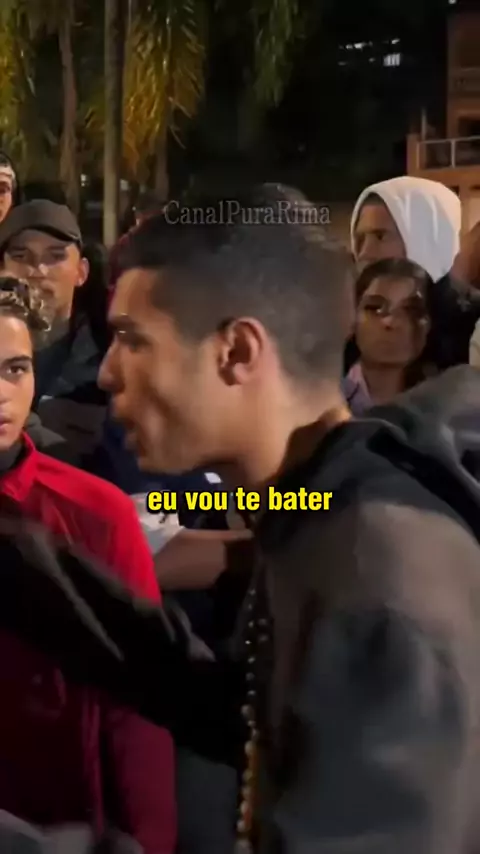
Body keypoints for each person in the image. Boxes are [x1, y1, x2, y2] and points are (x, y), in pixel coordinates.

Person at [3, 190, 480, 853]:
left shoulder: (377, 583)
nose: (108, 374)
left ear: (237, 351)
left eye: (132, 340)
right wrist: (22, 561)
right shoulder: (325, 504)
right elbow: (252, 713)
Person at [0, 277, 176, 852]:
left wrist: (149, 840)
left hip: (59, 821)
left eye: (16, 369)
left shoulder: (96, 510)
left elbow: (140, 703)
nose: (2, 392)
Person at [0, 200, 108, 458]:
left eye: (56, 256)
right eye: (21, 255)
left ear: (81, 272)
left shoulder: (111, 359)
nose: (38, 270)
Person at [349, 175, 480, 370]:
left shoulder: (471, 324)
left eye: (380, 236)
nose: (364, 253)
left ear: (425, 238)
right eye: (359, 239)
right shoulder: (349, 327)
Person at [345, 258, 433, 410]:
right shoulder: (323, 402)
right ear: (353, 317)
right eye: (374, 308)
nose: (390, 321)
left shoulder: (448, 406)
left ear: (429, 324)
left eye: (410, 310)